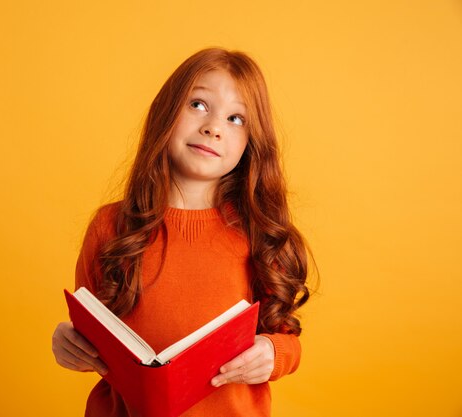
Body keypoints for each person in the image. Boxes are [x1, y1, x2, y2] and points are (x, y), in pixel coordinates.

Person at [52, 46, 315, 417]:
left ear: (250, 144)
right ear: (166, 112)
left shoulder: (258, 235)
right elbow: (88, 334)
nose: (214, 127)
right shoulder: (110, 226)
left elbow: (287, 339)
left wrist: (275, 354)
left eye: (236, 118)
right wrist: (67, 342)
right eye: (198, 105)